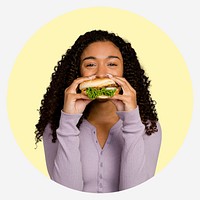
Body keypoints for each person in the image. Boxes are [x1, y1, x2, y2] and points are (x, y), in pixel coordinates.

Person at [34, 30, 162, 193]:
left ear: (125, 71)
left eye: (112, 64)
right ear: (78, 72)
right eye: (90, 65)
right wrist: (68, 121)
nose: (101, 74)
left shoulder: (148, 126)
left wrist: (131, 120)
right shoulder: (55, 126)